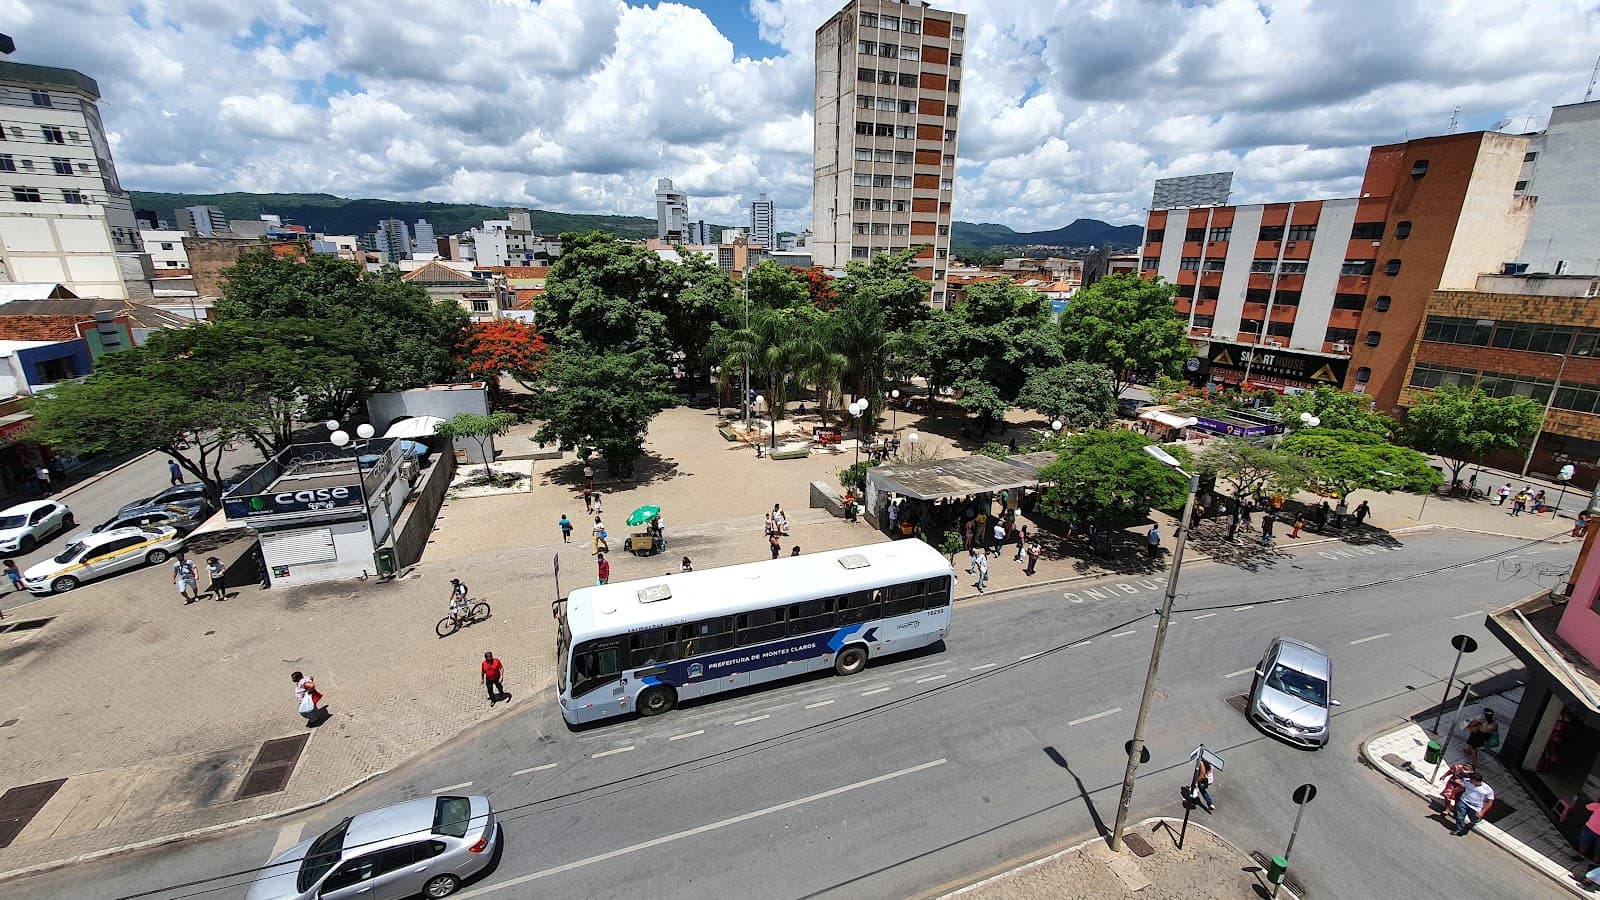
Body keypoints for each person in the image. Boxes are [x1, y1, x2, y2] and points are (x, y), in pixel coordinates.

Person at [1580, 799, 1600, 864]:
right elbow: (1588, 806)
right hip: (1589, 829)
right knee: (1583, 844)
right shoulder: (1598, 806)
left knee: (1598, 851)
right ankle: (1580, 856)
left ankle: (1595, 865)